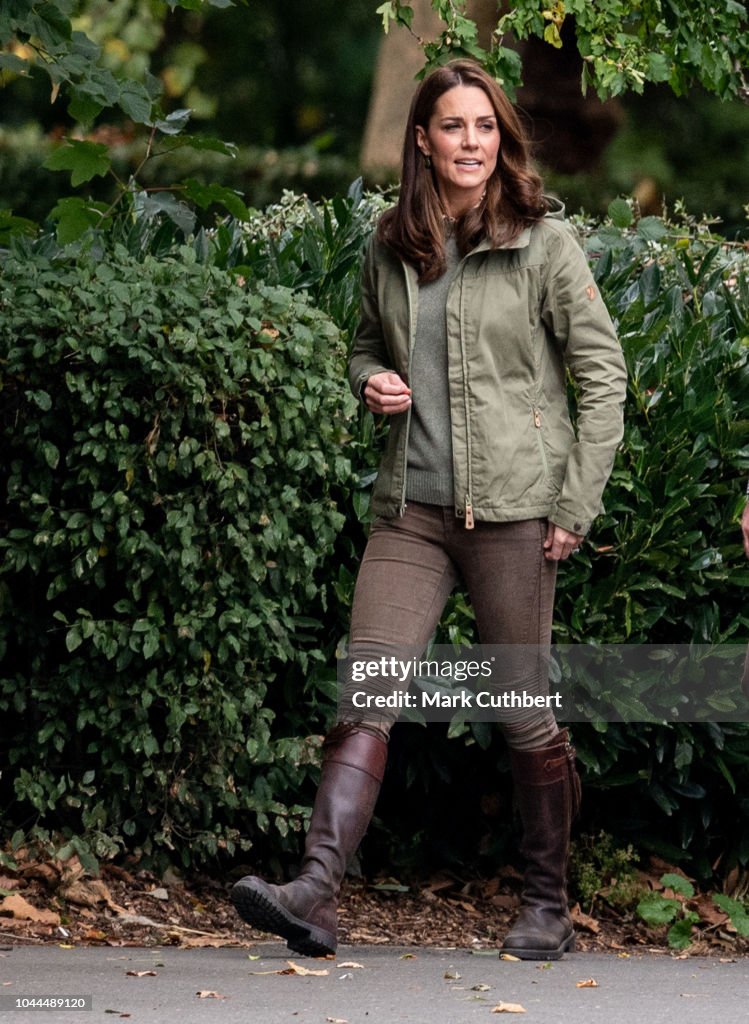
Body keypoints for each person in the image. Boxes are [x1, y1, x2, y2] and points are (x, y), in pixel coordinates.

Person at [231, 59, 627, 961]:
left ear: (502, 138)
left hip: (517, 513)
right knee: (367, 694)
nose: (471, 144)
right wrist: (369, 376)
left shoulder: (542, 244)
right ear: (422, 139)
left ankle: (545, 905)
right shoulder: (390, 243)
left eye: (484, 128)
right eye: (452, 127)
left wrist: (574, 503)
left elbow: (603, 381)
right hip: (411, 509)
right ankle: (314, 893)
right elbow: (366, 345)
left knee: (523, 712)